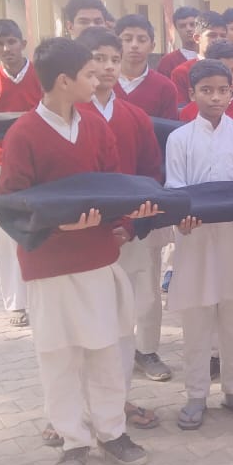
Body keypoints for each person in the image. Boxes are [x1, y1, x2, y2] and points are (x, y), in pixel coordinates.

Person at [0, 37, 155, 465]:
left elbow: (111, 184)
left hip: (97, 260)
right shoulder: (24, 133)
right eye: (89, 72)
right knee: (59, 356)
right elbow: (10, 203)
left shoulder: (96, 126)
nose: (99, 76)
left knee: (106, 351)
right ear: (64, 81)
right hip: (49, 266)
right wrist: (56, 227)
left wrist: (129, 217)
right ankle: (72, 440)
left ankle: (112, 431)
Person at [166, 60, 233, 427]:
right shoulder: (179, 139)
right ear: (191, 94)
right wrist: (181, 217)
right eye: (206, 90)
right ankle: (196, 395)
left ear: (232, 93)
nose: (215, 97)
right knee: (196, 320)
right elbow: (175, 189)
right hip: (195, 239)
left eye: (222, 90)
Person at [74, 27, 167, 424]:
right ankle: (72, 409)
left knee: (123, 321)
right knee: (82, 324)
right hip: (79, 237)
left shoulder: (134, 116)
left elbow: (150, 175)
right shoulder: (67, 115)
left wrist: (129, 225)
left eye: (114, 59)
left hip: (127, 235)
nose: (109, 67)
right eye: (99, 58)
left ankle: (118, 400)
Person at [0, 19, 42, 328]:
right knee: (7, 233)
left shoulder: (42, 75)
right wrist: (23, 126)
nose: (7, 48)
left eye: (12, 41)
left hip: (41, 161)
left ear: (23, 43)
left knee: (42, 227)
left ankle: (41, 295)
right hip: (2, 163)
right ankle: (17, 302)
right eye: (0, 43)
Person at [114, 14, 179, 120]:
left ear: (152, 46)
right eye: (127, 39)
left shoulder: (166, 87)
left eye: (142, 40)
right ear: (116, 44)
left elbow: (169, 127)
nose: (134, 45)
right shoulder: (101, 82)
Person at [171, 12, 231, 109]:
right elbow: (182, 110)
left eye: (223, 36)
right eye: (212, 35)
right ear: (197, 38)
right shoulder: (181, 73)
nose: (218, 40)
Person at [156, 6, 201, 78]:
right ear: (177, 29)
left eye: (193, 24)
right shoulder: (168, 62)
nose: (188, 29)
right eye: (182, 26)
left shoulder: (212, 57)